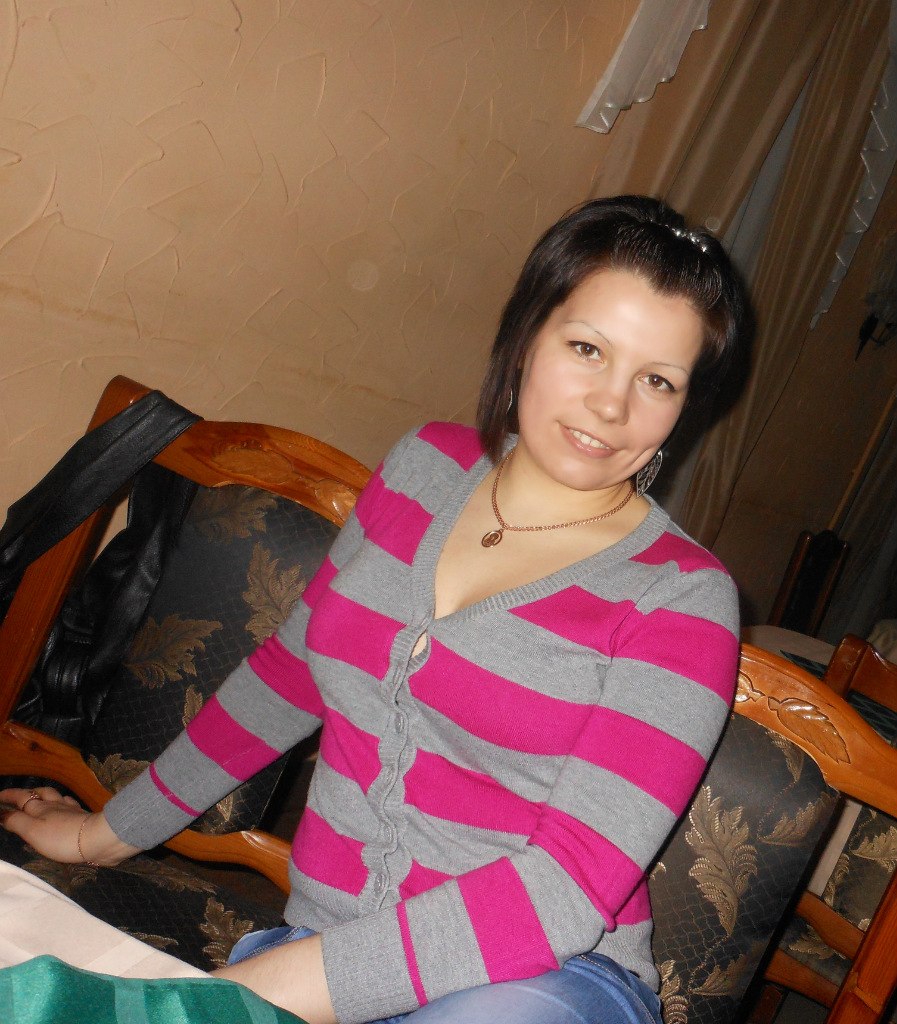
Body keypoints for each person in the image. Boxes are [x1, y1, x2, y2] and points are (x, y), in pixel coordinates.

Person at [1, 195, 747, 1024]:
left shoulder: (682, 598)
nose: (612, 406)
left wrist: (222, 1002)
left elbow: (562, 888)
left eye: (657, 380)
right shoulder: (422, 468)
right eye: (586, 348)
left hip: (540, 982)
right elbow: (288, 676)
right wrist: (105, 833)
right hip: (325, 944)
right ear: (525, 336)